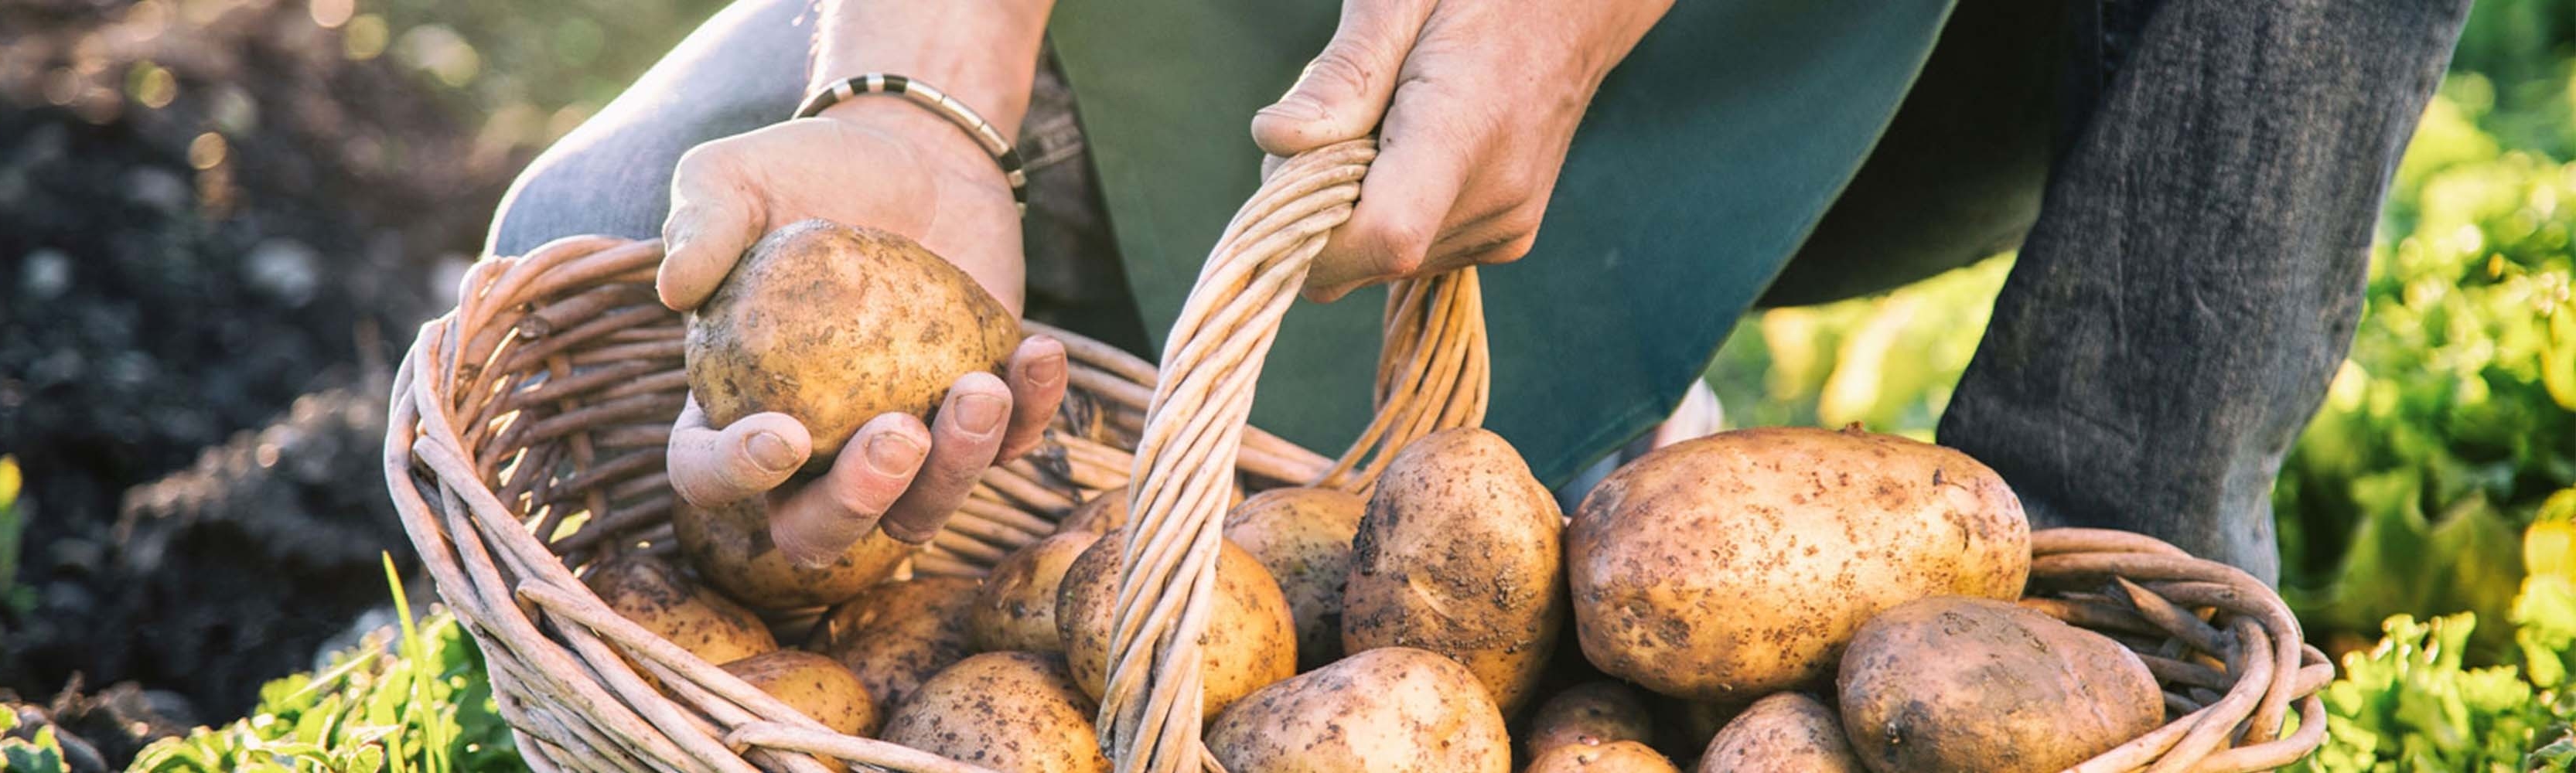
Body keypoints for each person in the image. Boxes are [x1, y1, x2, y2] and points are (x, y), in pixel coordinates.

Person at [486, 0, 2472, 583]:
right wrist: (923, 94)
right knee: (572, 266)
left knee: (2050, 657)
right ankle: (1585, 432)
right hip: (1253, 45)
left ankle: (2127, 555)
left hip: (1874, 36)